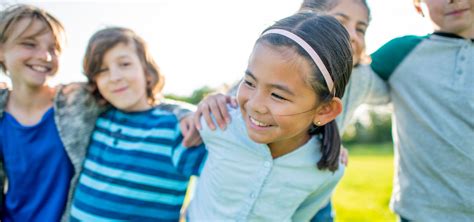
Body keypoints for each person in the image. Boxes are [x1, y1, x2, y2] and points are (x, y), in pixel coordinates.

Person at [0, 4, 197, 221]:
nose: (45, 56)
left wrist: (185, 113)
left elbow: (139, 100)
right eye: (29, 44)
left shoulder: (78, 101)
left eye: (54, 48)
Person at [187, 13, 352, 221]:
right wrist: (197, 108)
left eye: (277, 95)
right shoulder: (217, 122)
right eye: (249, 82)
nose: (255, 105)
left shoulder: (327, 171)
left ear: (325, 110)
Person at [68, 27, 207, 221]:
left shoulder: (175, 129)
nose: (115, 77)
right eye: (102, 70)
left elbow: (229, 173)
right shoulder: (95, 121)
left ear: (147, 72)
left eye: (124, 64)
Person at [366, 0, 473, 220]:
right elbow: (337, 90)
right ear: (417, 6)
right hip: (420, 214)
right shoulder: (400, 54)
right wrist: (330, 139)